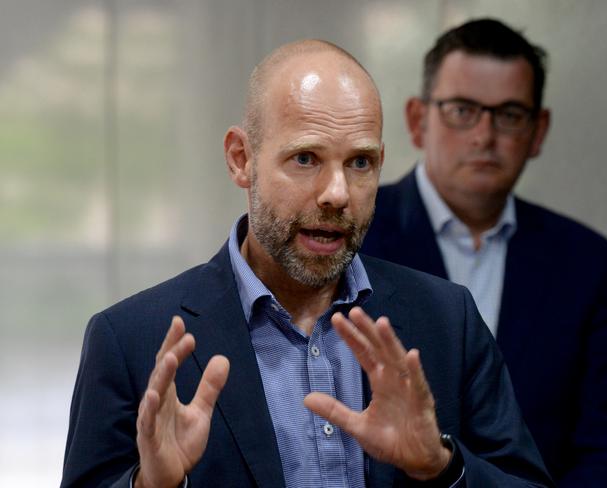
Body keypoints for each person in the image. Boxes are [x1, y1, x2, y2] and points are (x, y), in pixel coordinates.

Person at [61, 39, 553, 488]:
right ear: (240, 158)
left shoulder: (448, 320)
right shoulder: (129, 341)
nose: (337, 193)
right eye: (305, 159)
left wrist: (441, 466)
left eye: (360, 163)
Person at [361, 18, 607, 487]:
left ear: (538, 131)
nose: (484, 136)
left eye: (510, 114)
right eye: (462, 110)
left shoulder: (584, 262)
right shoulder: (358, 234)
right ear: (417, 120)